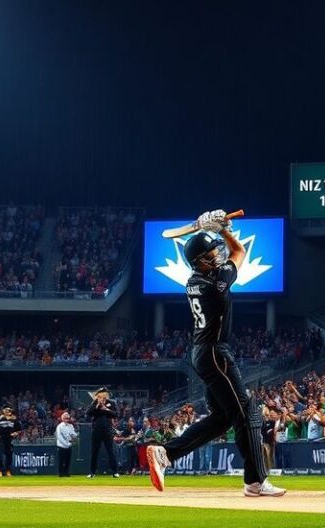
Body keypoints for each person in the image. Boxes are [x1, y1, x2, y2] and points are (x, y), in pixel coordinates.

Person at [146, 209, 285, 497]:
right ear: (199, 262)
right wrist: (222, 230)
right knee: (248, 413)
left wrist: (216, 229)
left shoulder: (194, 281)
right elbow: (240, 250)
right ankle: (256, 481)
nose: (216, 256)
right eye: (210, 254)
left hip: (202, 353)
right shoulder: (216, 282)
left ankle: (165, 454)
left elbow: (230, 252)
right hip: (215, 353)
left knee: (223, 418)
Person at [86, 387, 120, 478]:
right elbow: (88, 413)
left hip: (107, 430)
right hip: (96, 430)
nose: (102, 397)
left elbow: (115, 414)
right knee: (94, 452)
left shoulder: (111, 403)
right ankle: (92, 472)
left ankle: (115, 472)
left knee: (110, 451)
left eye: (104, 394)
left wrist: (105, 409)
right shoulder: (94, 403)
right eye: (100, 395)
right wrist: (97, 406)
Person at [0, 406, 22, 477]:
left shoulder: (14, 419)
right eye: (6, 409)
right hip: (0, 438)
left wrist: (15, 433)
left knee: (9, 455)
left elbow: (19, 429)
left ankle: (8, 471)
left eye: (9, 409)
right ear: (3, 410)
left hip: (9, 439)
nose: (8, 411)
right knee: (0, 454)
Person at [55, 411, 78, 477]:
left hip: (69, 445)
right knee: (61, 460)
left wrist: (75, 436)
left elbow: (73, 434)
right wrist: (66, 444)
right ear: (62, 418)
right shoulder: (59, 426)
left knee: (68, 460)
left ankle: (66, 472)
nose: (67, 420)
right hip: (61, 446)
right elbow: (59, 437)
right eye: (65, 418)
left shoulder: (70, 426)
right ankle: (60, 473)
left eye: (68, 418)